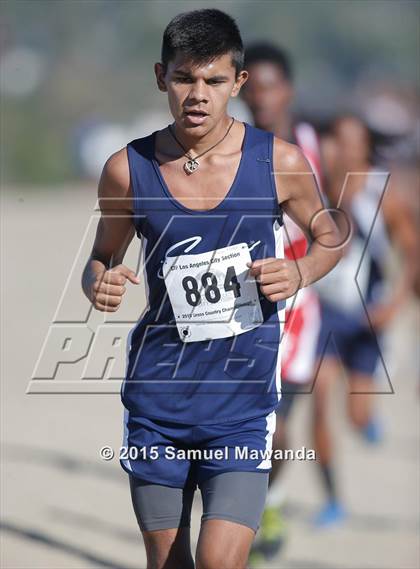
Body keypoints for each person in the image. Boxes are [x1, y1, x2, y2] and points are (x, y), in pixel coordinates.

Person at [81, 9, 341, 569]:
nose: (198, 95)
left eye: (214, 81)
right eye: (184, 79)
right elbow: (102, 258)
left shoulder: (279, 162)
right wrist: (99, 281)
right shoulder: (127, 170)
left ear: (237, 83)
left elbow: (330, 234)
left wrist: (299, 272)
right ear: (161, 77)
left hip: (242, 408)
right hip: (157, 404)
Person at [312, 114, 417, 527]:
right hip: (322, 311)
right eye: (337, 139)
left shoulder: (382, 192)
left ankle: (368, 421)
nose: (344, 149)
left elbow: (412, 253)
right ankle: (333, 500)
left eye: (354, 142)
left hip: (367, 313)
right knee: (319, 401)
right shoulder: (313, 184)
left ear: (366, 147)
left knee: (355, 417)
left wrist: (395, 302)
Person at [241, 43, 323, 561]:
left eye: (270, 88)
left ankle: (270, 500)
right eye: (252, 89)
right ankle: (240, 512)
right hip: (240, 303)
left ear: (288, 89)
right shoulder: (230, 148)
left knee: (282, 425)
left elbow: (336, 221)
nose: (260, 99)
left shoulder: (317, 145)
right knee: (240, 420)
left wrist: (308, 268)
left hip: (300, 308)